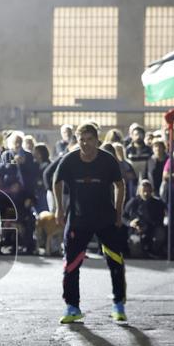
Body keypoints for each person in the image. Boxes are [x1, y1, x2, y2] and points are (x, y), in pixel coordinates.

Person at [53, 122, 127, 323]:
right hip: (79, 219)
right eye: (81, 140)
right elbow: (56, 181)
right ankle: (72, 307)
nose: (85, 144)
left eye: (89, 139)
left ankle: (118, 304)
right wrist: (59, 208)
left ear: (97, 141)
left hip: (105, 218)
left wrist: (119, 211)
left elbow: (120, 185)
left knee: (115, 261)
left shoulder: (108, 160)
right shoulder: (69, 160)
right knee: (71, 264)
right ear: (77, 141)